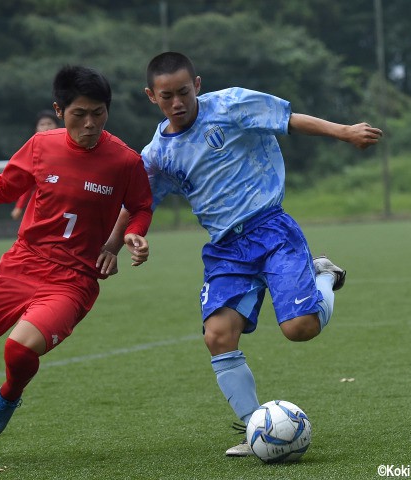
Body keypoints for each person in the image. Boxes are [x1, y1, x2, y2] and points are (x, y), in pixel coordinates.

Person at [0, 65, 153, 466]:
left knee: (19, 348)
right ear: (59, 109)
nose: (90, 124)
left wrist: (131, 235)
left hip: (73, 280)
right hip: (20, 264)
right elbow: (2, 187)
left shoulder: (125, 161)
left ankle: (10, 394)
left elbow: (140, 206)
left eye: (99, 113)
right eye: (79, 114)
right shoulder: (40, 146)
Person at [141, 52, 382, 456]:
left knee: (300, 329)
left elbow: (287, 119)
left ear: (197, 85)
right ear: (152, 97)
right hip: (225, 250)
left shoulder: (231, 104)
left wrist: (344, 132)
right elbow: (138, 200)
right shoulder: (157, 154)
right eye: (167, 96)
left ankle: (323, 274)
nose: (177, 102)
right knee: (217, 336)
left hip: (270, 228)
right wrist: (123, 239)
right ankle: (257, 430)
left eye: (184, 92)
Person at [10, 110, 60, 220]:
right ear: (36, 129)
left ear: (57, 126)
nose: (46, 127)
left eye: (50, 123)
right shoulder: (35, 154)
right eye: (42, 124)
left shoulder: (67, 150)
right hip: (42, 204)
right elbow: (29, 183)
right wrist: (19, 207)